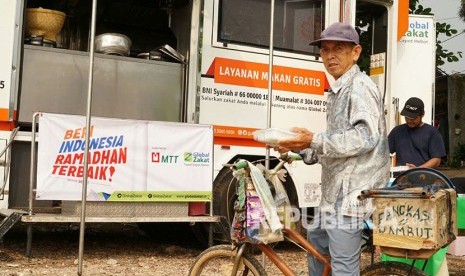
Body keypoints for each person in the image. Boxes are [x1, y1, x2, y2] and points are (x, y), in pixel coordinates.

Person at [273, 22, 390, 275]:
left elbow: (365, 137)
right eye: (325, 50)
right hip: (333, 197)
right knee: (317, 250)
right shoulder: (339, 89)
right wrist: (297, 150)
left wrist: (312, 140)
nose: (330, 56)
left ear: (356, 52)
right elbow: (336, 142)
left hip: (352, 197)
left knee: (343, 268)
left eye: (338, 48)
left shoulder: (360, 87)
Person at [388, 97, 446, 169]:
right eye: (406, 117)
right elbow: (384, 152)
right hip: (401, 177)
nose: (409, 120)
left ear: (422, 115)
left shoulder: (432, 133)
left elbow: (437, 160)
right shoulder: (397, 131)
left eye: (412, 118)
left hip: (423, 176)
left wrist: (417, 169)